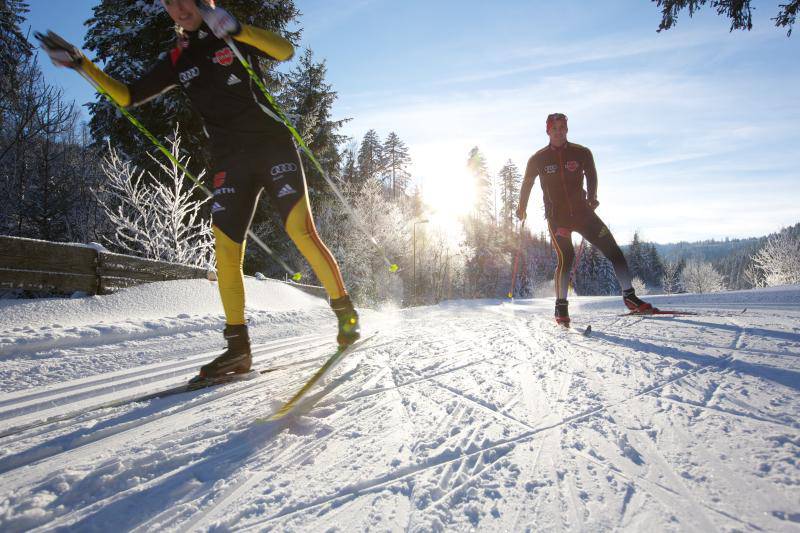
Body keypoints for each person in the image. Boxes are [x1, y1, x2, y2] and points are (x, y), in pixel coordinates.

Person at [39, 0, 360, 380]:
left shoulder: (229, 31)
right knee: (225, 250)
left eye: (183, 0)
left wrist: (238, 30)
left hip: (272, 146)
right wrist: (81, 64)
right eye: (168, 3)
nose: (177, 8)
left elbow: (285, 50)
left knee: (300, 231)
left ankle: (346, 315)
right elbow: (127, 95)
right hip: (230, 162)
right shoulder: (178, 58)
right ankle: (238, 351)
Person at [516, 113, 653, 326]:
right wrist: (521, 208)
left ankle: (630, 297)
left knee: (614, 252)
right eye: (555, 128)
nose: (559, 131)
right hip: (557, 219)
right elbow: (527, 183)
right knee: (567, 257)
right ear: (548, 131)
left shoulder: (581, 152)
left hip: (584, 215)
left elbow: (591, 174)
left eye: (562, 127)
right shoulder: (538, 158)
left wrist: (592, 197)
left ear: (567, 130)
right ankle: (561, 307)